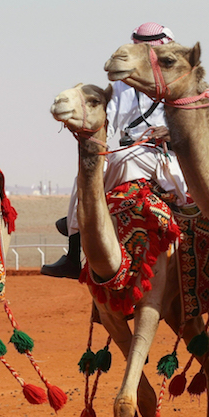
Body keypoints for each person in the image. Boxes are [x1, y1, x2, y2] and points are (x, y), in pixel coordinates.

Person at [41, 23, 189, 280]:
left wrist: (170, 133)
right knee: (86, 174)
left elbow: (193, 126)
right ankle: (75, 247)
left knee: (124, 162)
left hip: (166, 154)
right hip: (126, 148)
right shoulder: (121, 85)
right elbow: (109, 123)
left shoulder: (179, 82)